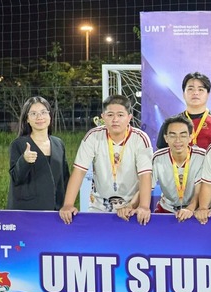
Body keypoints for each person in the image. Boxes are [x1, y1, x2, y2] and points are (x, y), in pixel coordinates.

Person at [58, 95, 153, 225]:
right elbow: (79, 172)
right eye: (110, 115)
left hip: (130, 207)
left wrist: (143, 206)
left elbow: (145, 175)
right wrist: (68, 204)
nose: (115, 120)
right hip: (99, 206)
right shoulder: (93, 136)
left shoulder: (140, 138)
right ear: (103, 117)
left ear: (129, 117)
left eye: (120, 115)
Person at [7, 96, 69, 210]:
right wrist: (24, 161)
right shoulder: (18, 145)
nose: (39, 117)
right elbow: (16, 178)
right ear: (27, 119)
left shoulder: (58, 144)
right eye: (33, 114)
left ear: (50, 116)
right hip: (27, 211)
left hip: (55, 211)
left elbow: (65, 179)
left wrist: (67, 205)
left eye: (43, 112)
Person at [152, 115, 206, 221]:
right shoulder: (158, 157)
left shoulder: (202, 157)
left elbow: (200, 190)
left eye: (183, 135)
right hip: (167, 208)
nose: (178, 140)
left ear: (190, 137)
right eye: (172, 135)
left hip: (194, 209)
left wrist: (190, 209)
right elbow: (146, 186)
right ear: (166, 138)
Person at [156, 72, 211, 151]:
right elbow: (160, 153)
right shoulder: (170, 123)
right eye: (190, 89)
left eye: (200, 89)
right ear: (183, 94)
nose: (195, 93)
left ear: (208, 94)